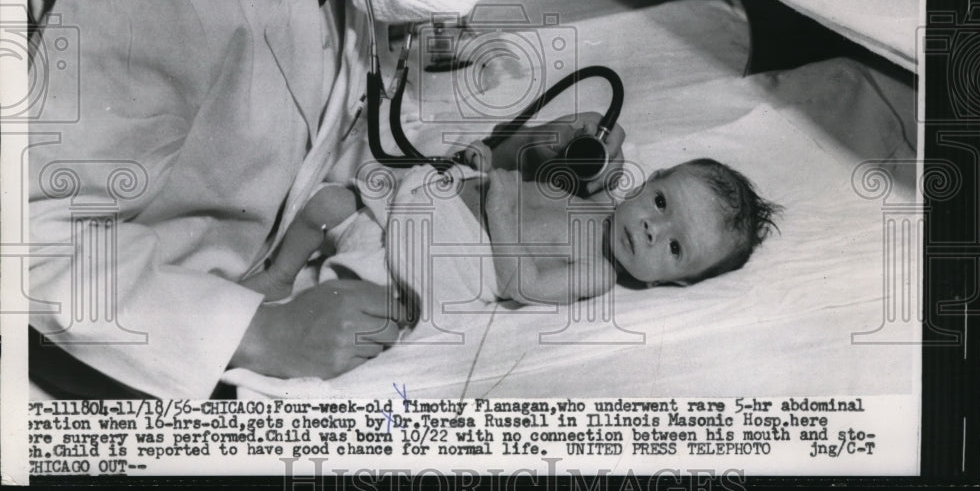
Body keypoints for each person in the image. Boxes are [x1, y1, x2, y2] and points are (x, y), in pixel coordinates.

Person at [27, 0, 615, 399]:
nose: (466, 2)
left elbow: (344, 150)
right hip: (112, 339)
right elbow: (31, 240)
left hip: (245, 283)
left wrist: (502, 155)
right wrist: (256, 335)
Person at [246, 157, 780, 310]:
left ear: (675, 281)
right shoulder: (597, 201)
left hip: (443, 255)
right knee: (329, 201)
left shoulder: (597, 274)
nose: (649, 228)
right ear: (649, 180)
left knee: (364, 294)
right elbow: (528, 184)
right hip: (431, 201)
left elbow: (520, 284)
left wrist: (499, 209)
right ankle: (277, 273)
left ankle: (299, 303)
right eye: (661, 203)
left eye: (673, 247)